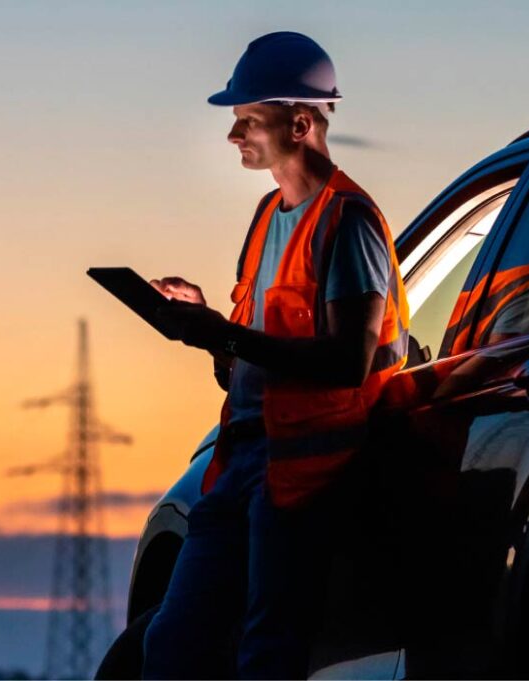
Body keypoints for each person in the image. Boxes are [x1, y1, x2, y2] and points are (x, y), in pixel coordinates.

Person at [137, 32, 411, 679]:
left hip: (307, 474)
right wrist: (208, 326)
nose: (233, 135)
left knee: (268, 651)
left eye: (246, 119)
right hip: (244, 462)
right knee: (173, 644)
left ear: (299, 122)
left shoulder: (349, 221)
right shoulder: (268, 216)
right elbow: (245, 364)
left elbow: (347, 361)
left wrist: (222, 333)